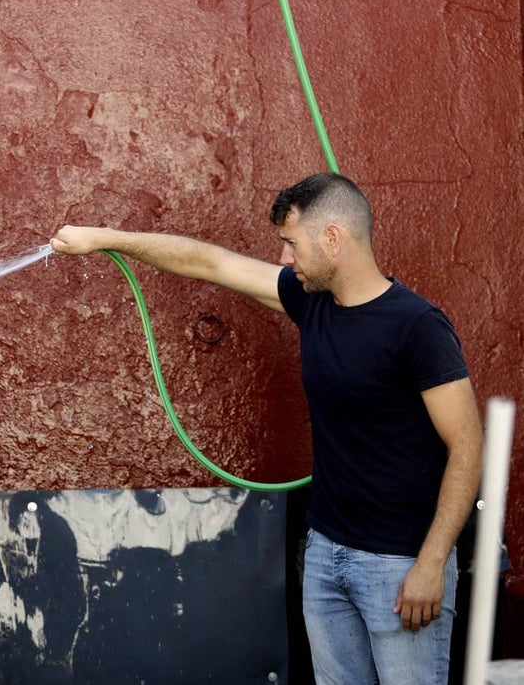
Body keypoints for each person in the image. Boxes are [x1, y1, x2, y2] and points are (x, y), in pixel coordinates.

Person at [50, 172, 483, 684]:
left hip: (400, 565)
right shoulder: (312, 302)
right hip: (326, 553)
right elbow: (209, 262)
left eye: (290, 243)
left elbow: (468, 446)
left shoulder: (418, 327)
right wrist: (102, 239)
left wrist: (432, 563)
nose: (284, 259)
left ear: (332, 238)